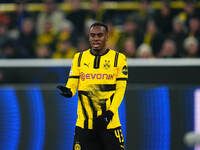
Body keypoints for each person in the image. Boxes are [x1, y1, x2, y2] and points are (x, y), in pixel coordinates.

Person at [57, 22, 128, 150]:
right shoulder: (79, 58)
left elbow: (120, 89)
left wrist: (110, 112)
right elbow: (73, 83)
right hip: (84, 126)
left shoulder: (119, 59)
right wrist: (69, 91)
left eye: (100, 35)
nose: (96, 38)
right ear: (89, 37)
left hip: (110, 125)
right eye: (92, 35)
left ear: (107, 37)